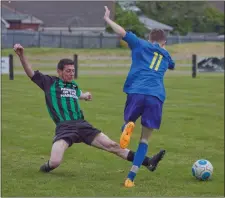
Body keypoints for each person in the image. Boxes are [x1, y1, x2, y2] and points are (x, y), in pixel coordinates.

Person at [13, 43, 166, 180]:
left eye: (73, 71)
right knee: (55, 162)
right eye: (68, 71)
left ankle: (148, 162)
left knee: (112, 145)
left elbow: (78, 94)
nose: (71, 74)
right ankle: (44, 169)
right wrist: (21, 55)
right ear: (59, 71)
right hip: (65, 128)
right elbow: (30, 73)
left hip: (82, 125)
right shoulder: (49, 82)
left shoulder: (73, 86)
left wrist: (85, 96)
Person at [103, 6, 175, 187]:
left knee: (128, 121)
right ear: (164, 43)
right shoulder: (166, 55)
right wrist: (164, 52)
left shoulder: (140, 44)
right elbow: (171, 64)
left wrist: (108, 19)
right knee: (144, 140)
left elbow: (122, 32)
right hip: (155, 96)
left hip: (136, 90)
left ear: (149, 39)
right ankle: (130, 179)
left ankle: (127, 125)